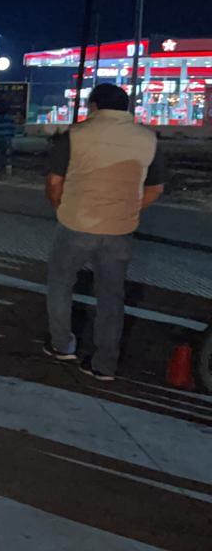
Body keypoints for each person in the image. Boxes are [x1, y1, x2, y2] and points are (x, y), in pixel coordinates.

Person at [43, 83, 167, 381]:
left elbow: (54, 182)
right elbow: (156, 187)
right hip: (120, 229)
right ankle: (104, 365)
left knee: (60, 283)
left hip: (76, 223)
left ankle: (62, 345)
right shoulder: (148, 139)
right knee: (112, 296)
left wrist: (61, 207)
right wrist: (130, 211)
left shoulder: (76, 135)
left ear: (94, 105)